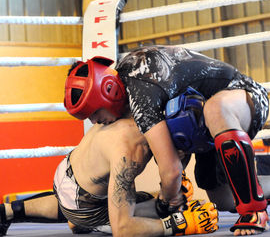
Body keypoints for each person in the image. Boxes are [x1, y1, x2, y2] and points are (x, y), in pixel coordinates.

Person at [64, 45, 269, 236]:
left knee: (215, 109)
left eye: (94, 112)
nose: (94, 121)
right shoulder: (129, 82)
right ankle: (258, 194)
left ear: (109, 90)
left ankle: (254, 210)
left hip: (245, 97)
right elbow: (171, 146)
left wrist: (169, 200)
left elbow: (170, 170)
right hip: (207, 126)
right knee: (223, 200)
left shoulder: (140, 90)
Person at [0, 117, 218, 237]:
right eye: (180, 153)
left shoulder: (142, 110)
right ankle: (90, 224)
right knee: (152, 208)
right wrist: (181, 223)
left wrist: (171, 185)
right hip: (84, 206)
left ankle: (7, 211)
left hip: (68, 173)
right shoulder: (131, 151)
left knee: (140, 197)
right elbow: (124, 229)